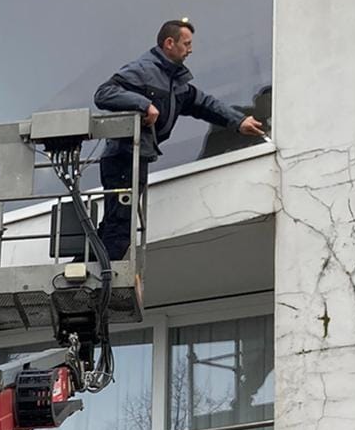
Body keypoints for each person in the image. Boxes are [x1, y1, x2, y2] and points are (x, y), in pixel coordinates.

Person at [92, 20, 268, 261]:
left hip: (136, 156)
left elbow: (205, 104)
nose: (190, 50)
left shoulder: (177, 84)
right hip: (123, 156)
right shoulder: (144, 69)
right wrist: (144, 104)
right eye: (187, 44)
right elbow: (104, 93)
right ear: (169, 43)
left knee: (118, 222)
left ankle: (86, 273)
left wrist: (238, 122)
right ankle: (98, 279)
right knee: (120, 227)